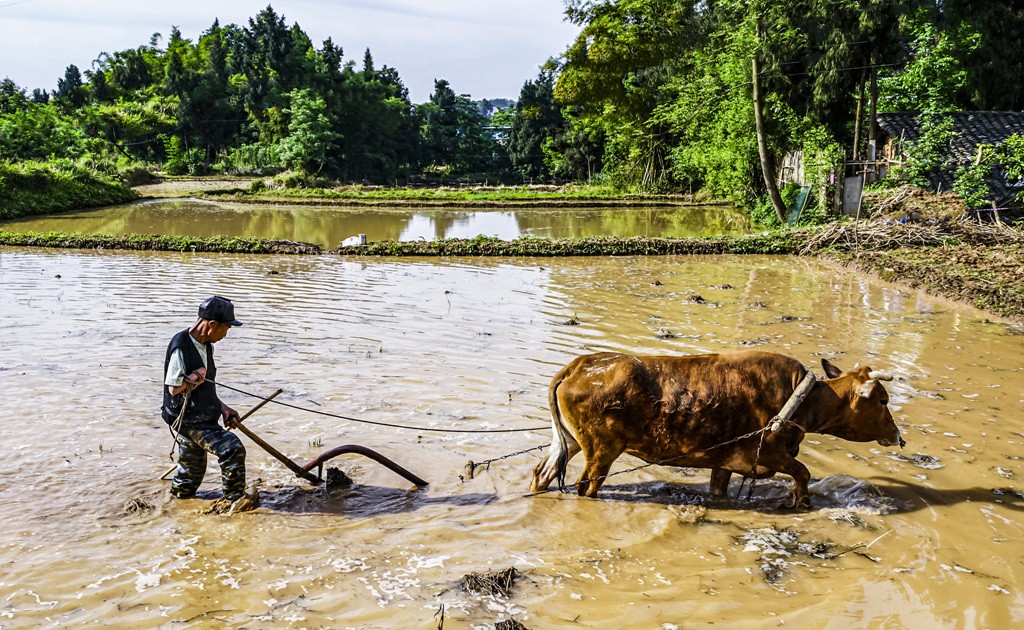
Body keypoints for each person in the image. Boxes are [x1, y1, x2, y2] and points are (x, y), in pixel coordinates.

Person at [163, 296, 258, 513]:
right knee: (232, 449)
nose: (225, 334)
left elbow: (205, 387)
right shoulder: (181, 345)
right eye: (225, 329)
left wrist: (222, 407)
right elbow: (174, 388)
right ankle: (236, 501)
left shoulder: (205, 344)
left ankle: (175, 508)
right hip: (189, 419)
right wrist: (195, 377)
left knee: (190, 474)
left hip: (201, 415)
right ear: (212, 325)